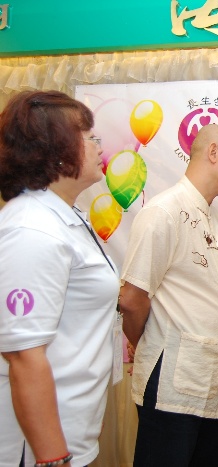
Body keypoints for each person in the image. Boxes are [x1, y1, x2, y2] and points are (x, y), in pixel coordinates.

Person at [0, 90, 119, 467]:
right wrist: (53, 458)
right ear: (55, 148)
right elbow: (24, 356)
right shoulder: (32, 228)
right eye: (89, 137)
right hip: (39, 447)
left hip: (73, 429)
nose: (100, 146)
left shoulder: (66, 216)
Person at [119, 124, 218, 467]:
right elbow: (131, 298)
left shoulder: (213, 215)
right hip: (174, 385)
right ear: (213, 152)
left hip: (214, 382)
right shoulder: (163, 212)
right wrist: (144, 342)